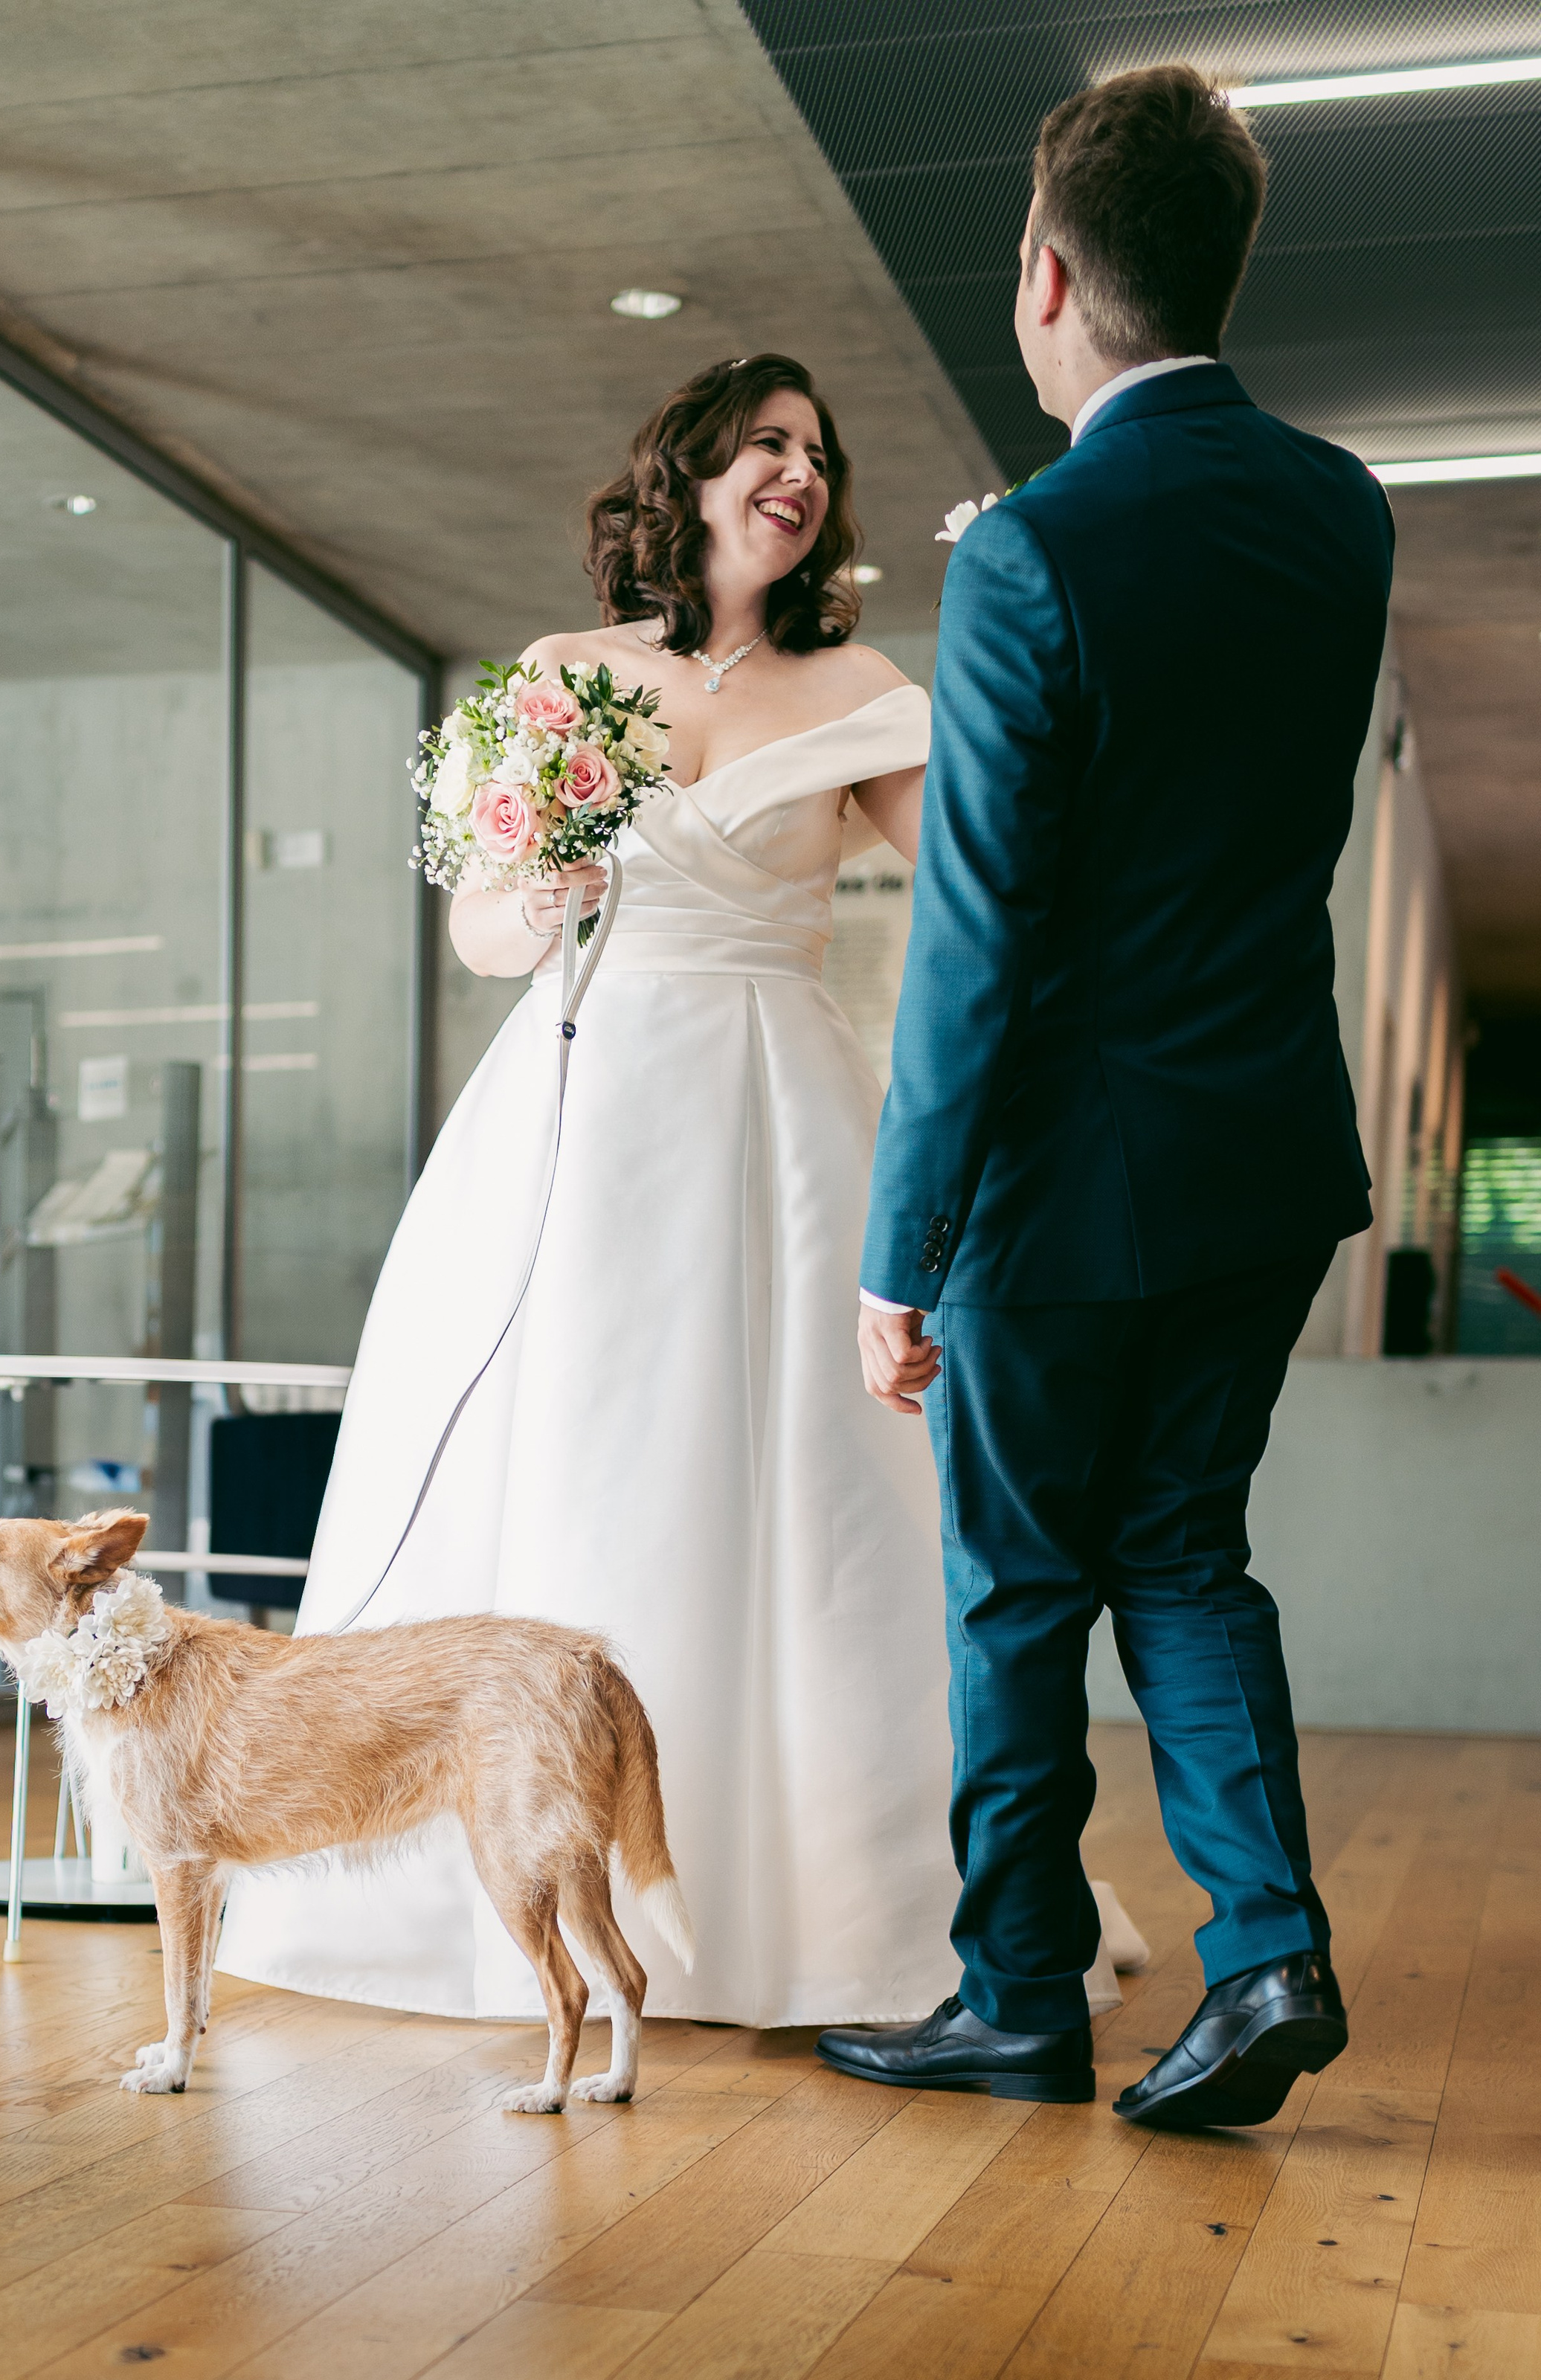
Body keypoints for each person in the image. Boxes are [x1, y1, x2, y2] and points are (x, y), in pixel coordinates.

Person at [216, 354, 1135, 2031]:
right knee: (566, 1432)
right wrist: (542, 893)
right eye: (765, 442)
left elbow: (986, 872)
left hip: (776, 1103)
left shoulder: (859, 685)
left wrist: (1044, 622)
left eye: (816, 451)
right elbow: (482, 928)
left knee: (794, 1466)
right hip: (579, 1103)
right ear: (690, 473)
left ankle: (816, 1890)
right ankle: (507, 1860)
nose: (796, 469)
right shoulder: (568, 679)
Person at [820, 65, 1392, 2125]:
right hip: (1265, 1151)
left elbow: (973, 948)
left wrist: (905, 1251)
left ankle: (1019, 1997)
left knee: (1019, 1590)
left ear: (1050, 275)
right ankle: (1265, 1957)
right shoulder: (1344, 509)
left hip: (1067, 1182)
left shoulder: (1034, 556)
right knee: (1184, 1556)